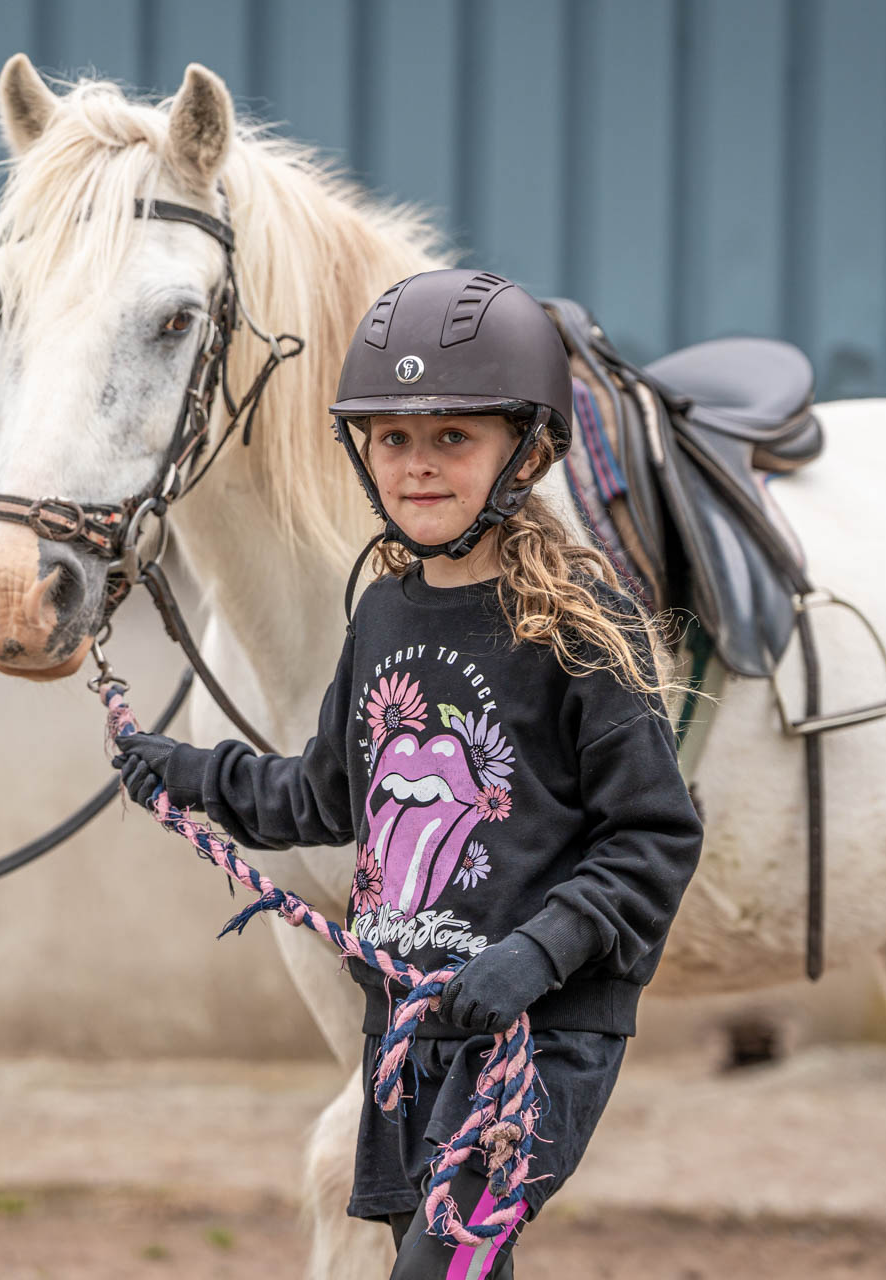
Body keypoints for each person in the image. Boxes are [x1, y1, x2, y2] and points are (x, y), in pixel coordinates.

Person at [112, 268, 704, 1278]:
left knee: (437, 1270)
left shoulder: (581, 625)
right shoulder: (383, 612)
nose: (418, 467)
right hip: (408, 1023)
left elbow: (654, 835)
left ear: (529, 448)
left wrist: (537, 953)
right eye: (394, 438)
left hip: (537, 1029)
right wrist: (193, 774)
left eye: (452, 438)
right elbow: (327, 797)